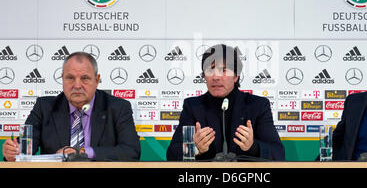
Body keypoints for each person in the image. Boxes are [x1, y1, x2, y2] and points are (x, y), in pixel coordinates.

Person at [2, 52, 141, 161]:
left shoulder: (118, 107)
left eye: (85, 78)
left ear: (97, 80)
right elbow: (25, 149)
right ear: (62, 78)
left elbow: (131, 151)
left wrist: (83, 152)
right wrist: (14, 152)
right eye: (70, 78)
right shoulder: (44, 107)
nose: (77, 85)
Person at [166, 44, 284, 161]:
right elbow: (172, 155)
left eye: (223, 70)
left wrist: (253, 147)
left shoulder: (257, 105)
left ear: (236, 76)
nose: (216, 77)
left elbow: (278, 153)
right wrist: (194, 148)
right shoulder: (193, 107)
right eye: (210, 70)